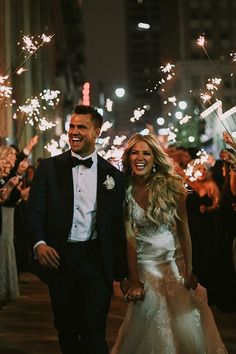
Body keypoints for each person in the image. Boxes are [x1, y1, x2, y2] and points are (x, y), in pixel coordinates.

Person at [111, 134, 227, 354]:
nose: (140, 157)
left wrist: (190, 269)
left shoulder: (172, 186)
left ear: (155, 158)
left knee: (183, 324)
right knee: (146, 322)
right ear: (128, 157)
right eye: (135, 152)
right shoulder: (123, 190)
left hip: (174, 263)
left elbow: (184, 232)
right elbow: (129, 237)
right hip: (144, 264)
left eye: (146, 153)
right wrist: (134, 279)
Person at [26, 105, 128, 354]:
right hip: (60, 260)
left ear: (96, 131)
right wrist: (39, 244)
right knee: (67, 329)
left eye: (81, 127)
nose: (74, 131)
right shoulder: (49, 168)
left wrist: (124, 273)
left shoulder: (112, 176)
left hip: (95, 261)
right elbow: (34, 212)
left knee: (94, 331)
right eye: (72, 126)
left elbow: (117, 229)